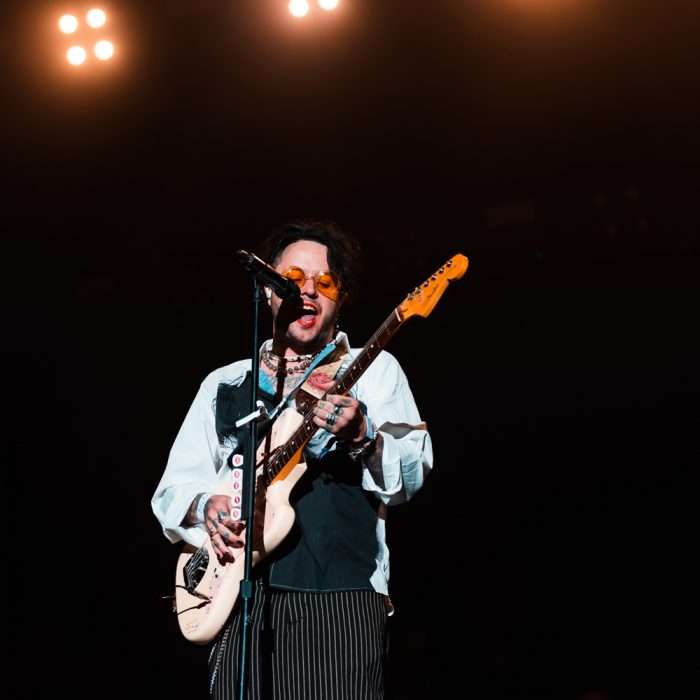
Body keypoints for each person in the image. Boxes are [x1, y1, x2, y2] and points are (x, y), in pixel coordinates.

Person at [151, 218, 433, 699]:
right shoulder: (225, 383)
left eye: (326, 282)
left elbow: (411, 474)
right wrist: (205, 507)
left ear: (341, 297)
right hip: (240, 598)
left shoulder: (372, 369)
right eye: (293, 278)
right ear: (268, 290)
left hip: (340, 596)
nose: (308, 291)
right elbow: (171, 492)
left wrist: (363, 435)